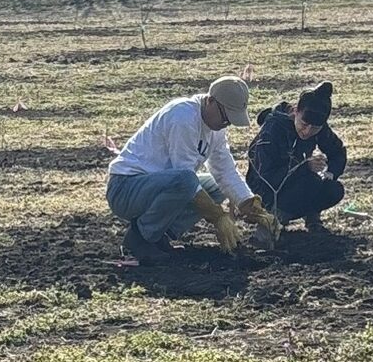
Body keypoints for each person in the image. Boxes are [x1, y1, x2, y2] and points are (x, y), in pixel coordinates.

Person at [106, 76, 281, 265]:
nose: (226, 124)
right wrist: (217, 216)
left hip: (155, 187)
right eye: (225, 117)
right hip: (125, 189)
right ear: (211, 101)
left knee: (215, 187)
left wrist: (249, 205)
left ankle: (161, 235)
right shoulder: (182, 116)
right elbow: (184, 176)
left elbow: (225, 171)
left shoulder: (216, 129)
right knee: (187, 181)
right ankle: (139, 239)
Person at [246, 82, 347, 234]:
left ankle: (312, 216)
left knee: (333, 189)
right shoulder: (272, 130)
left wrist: (330, 174)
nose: (307, 132)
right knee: (311, 183)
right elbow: (265, 177)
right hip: (266, 189)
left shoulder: (317, 126)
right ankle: (273, 218)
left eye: (315, 128)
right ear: (295, 111)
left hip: (296, 182)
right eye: (304, 124)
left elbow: (337, 152)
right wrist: (304, 166)